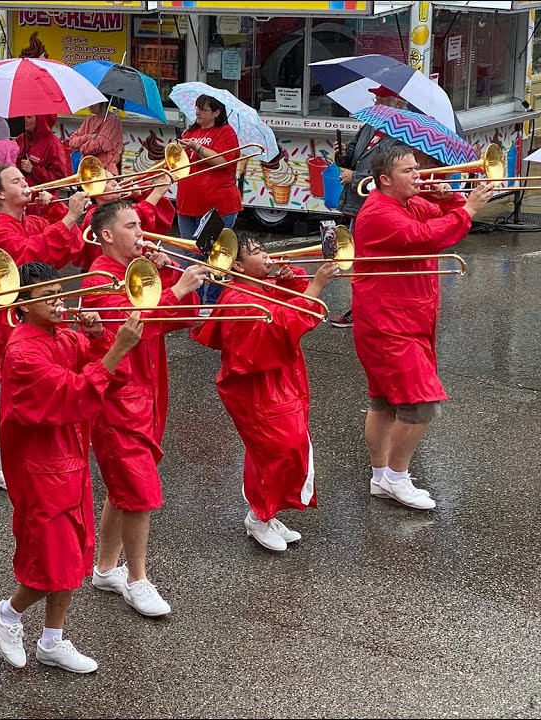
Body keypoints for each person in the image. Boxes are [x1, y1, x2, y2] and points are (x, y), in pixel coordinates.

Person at [0, 262, 143, 675]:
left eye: (60, 291)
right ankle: (7, 612)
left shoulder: (64, 336)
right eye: (47, 295)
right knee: (52, 558)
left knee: (75, 551)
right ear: (21, 303)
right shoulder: (22, 351)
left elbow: (112, 380)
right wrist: (114, 349)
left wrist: (97, 337)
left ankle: (52, 639)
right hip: (40, 468)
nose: (60, 301)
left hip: (70, 460)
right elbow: (70, 392)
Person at [351, 144, 494, 510]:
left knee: (383, 401)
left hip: (407, 317)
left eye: (417, 169)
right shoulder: (379, 214)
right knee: (422, 403)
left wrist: (448, 198)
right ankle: (397, 477)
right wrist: (470, 207)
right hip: (388, 322)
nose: (419, 176)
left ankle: (381, 477)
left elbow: (440, 217)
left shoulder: (407, 203)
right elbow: (430, 237)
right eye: (408, 172)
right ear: (384, 181)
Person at [81, 200, 205, 617]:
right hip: (118, 396)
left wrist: (168, 274)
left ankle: (104, 569)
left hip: (149, 388)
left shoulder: (137, 272)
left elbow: (179, 321)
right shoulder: (98, 277)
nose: (141, 233)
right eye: (132, 226)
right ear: (107, 236)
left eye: (140, 225)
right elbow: (130, 325)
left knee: (124, 485)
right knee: (138, 490)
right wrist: (177, 288)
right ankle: (137, 579)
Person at [191, 235, 339, 550]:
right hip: (257, 387)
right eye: (257, 254)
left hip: (276, 379)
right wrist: (316, 287)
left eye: (264, 250)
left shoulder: (258, 285)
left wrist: (294, 278)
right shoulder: (238, 299)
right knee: (276, 449)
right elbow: (283, 326)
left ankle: (266, 513)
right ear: (238, 266)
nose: (267, 257)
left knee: (281, 447)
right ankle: (259, 516)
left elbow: (287, 303)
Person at [0, 164, 87, 489]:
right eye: (16, 181)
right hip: (9, 317)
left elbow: (72, 247)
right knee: (17, 391)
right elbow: (27, 260)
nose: (25, 184)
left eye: (25, 179)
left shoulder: (34, 220)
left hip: (34, 312)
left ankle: (12, 459)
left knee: (32, 387)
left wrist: (58, 207)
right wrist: (68, 218)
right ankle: (0, 464)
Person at [328, 87, 406, 329]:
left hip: (378, 208)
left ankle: (366, 311)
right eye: (376, 98)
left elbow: (392, 177)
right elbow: (352, 153)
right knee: (362, 261)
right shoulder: (371, 126)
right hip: (357, 206)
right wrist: (342, 154)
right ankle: (364, 308)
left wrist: (356, 176)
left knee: (371, 262)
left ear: (398, 103)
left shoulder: (403, 136)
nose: (376, 102)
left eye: (381, 99)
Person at [176, 94, 242, 305]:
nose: (198, 112)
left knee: (214, 257)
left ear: (216, 112)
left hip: (218, 205)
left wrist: (197, 147)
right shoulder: (191, 131)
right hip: (187, 203)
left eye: (204, 109)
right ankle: (191, 304)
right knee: (190, 256)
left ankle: (211, 304)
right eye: (197, 108)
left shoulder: (226, 132)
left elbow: (222, 161)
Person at [68, 102, 124, 177]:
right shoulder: (89, 120)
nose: (90, 105)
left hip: (105, 170)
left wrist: (82, 147)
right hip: (86, 170)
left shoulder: (112, 120)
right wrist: (89, 137)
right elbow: (72, 142)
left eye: (94, 103)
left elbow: (101, 145)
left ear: (103, 103)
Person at [14, 114, 67, 188]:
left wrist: (33, 170)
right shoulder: (20, 139)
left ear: (40, 121)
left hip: (41, 196)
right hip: (20, 193)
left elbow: (60, 179)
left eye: (29, 117)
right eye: (25, 116)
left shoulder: (53, 144)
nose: (25, 120)